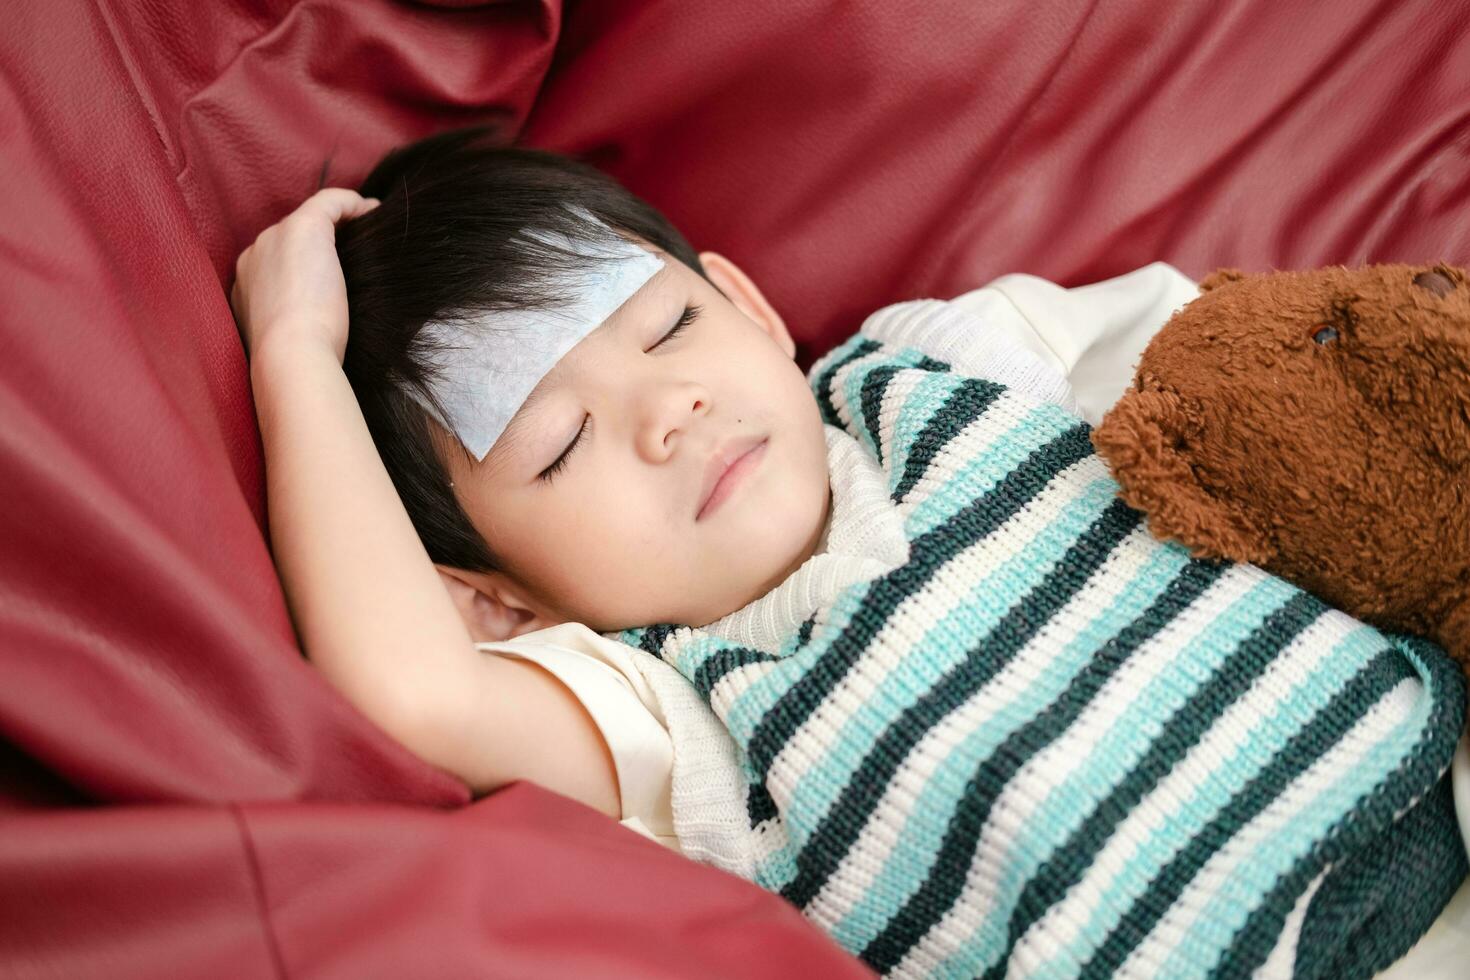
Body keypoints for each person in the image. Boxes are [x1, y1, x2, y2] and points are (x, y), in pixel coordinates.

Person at [232, 126, 1467, 978]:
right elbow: (411, 689)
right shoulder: (673, 712)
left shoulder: (947, 365)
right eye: (559, 446)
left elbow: (1291, 383)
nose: (672, 411)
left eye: (669, 326)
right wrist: (293, 351)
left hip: (1424, 765)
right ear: (489, 597)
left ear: (752, 307)